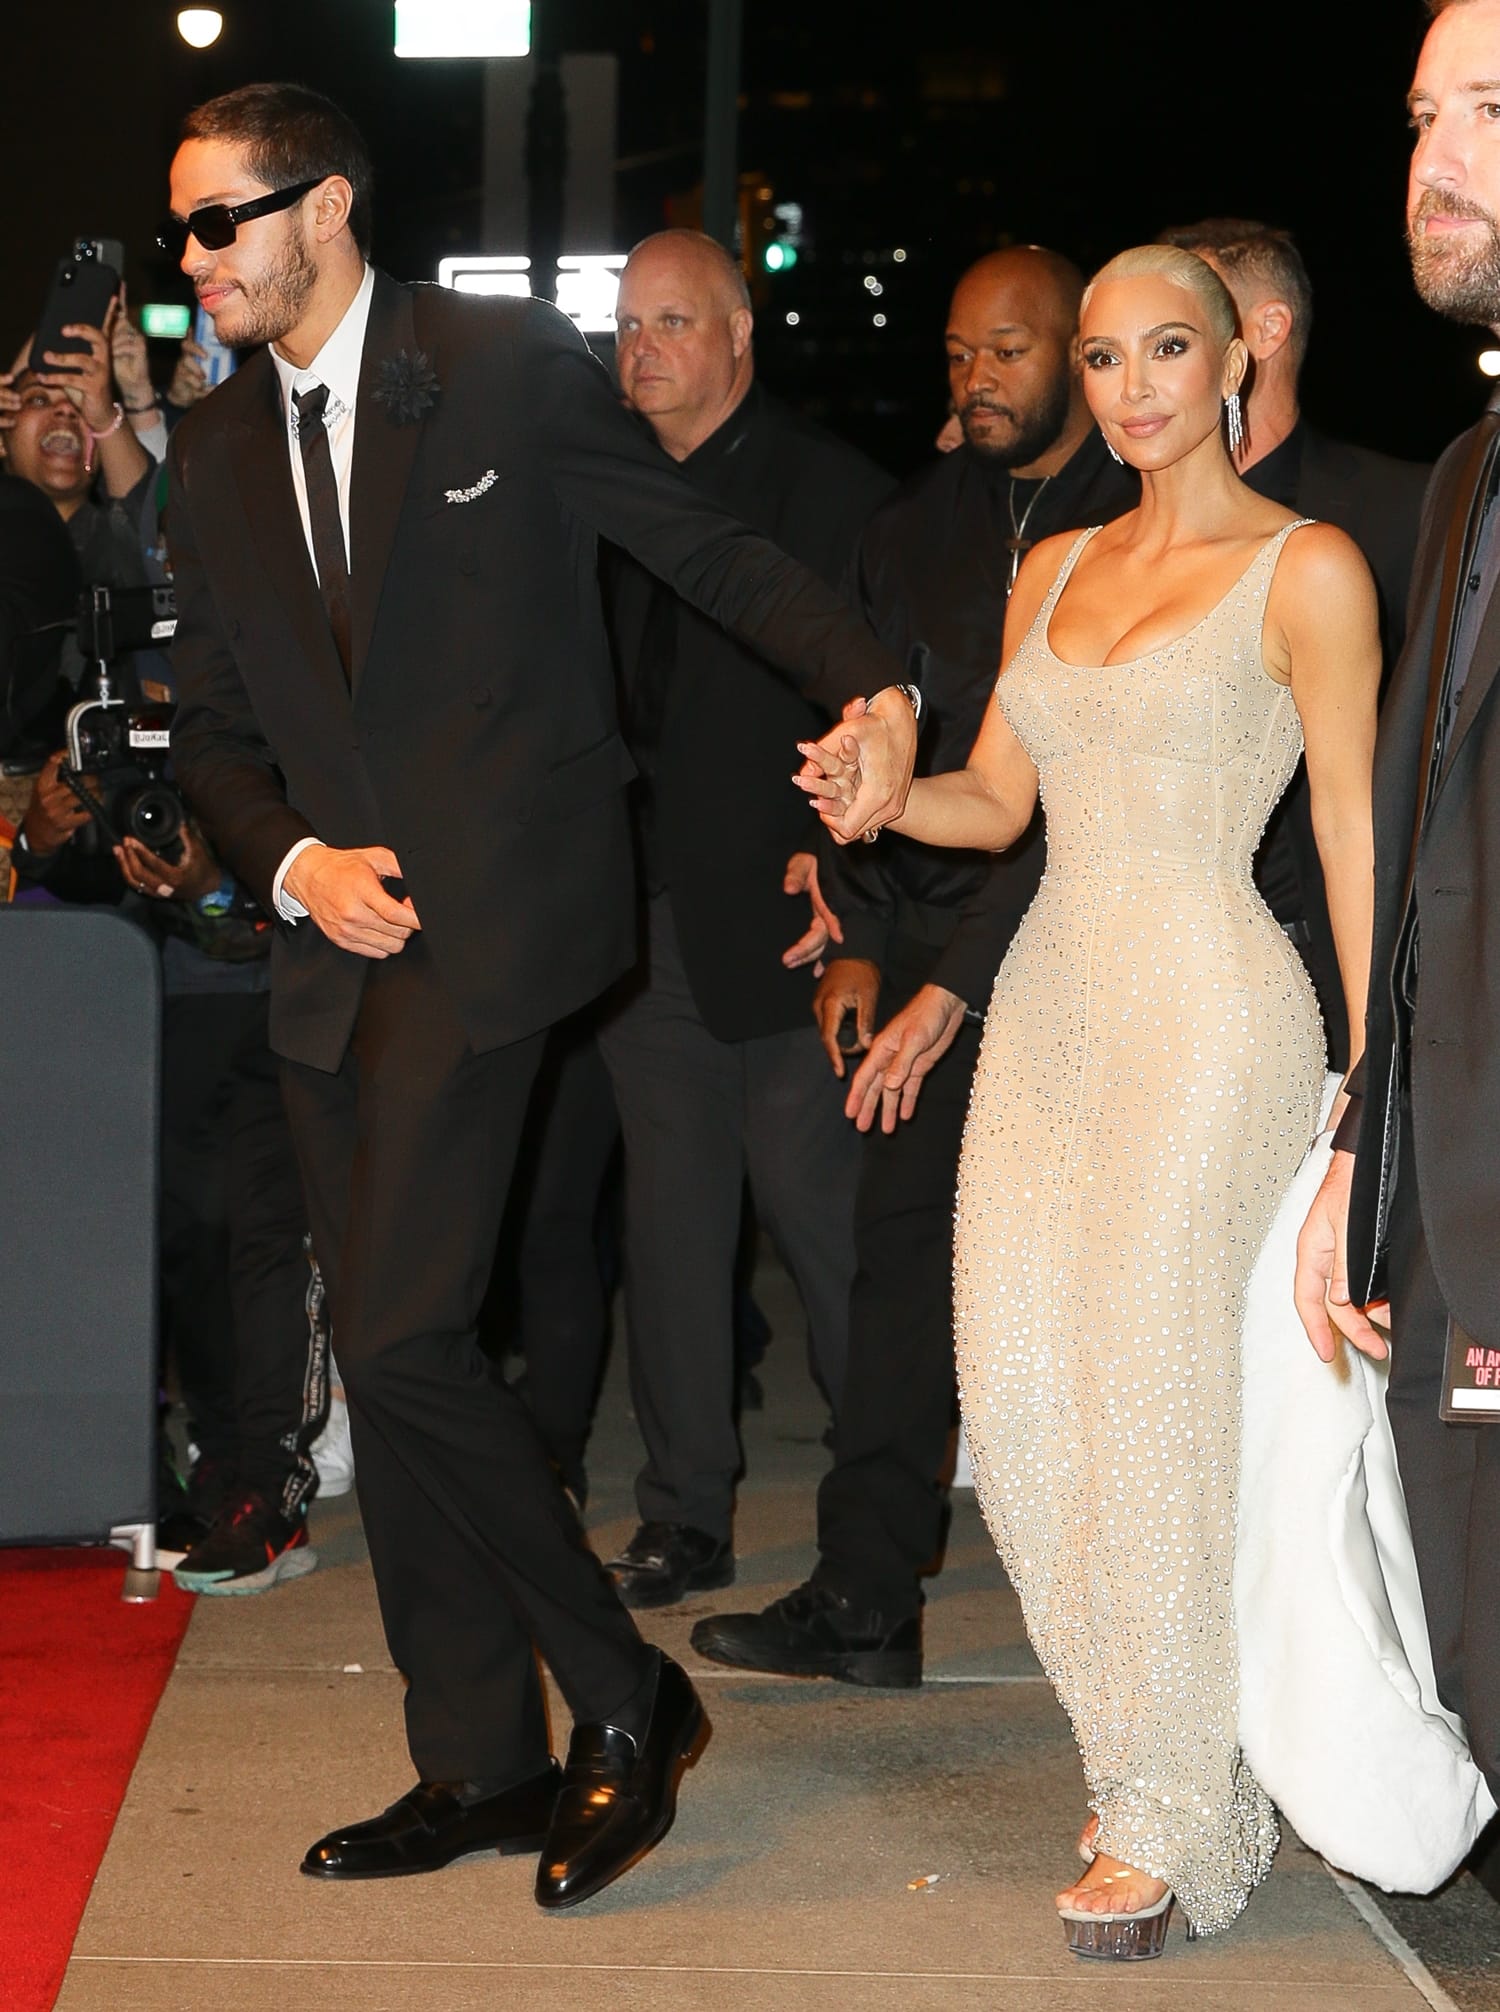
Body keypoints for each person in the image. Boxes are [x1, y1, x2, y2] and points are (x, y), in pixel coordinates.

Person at [162, 83, 916, 1905]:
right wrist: (289, 864)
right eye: (185, 228)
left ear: (323, 209)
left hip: (501, 930)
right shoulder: (213, 451)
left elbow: (702, 548)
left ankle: (620, 1690)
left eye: (218, 224)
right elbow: (217, 737)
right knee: (409, 1371)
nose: (195, 262)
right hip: (337, 948)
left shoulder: (493, 363)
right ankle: (477, 1759)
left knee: (412, 1336)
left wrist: (873, 679)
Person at [802, 245, 1378, 1951]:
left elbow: (1347, 830)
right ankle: (1154, 1741)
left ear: (1234, 362)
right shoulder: (1050, 562)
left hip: (1215, 1006)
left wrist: (1371, 1080)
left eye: (1167, 350)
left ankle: (1165, 1802)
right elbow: (994, 804)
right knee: (1032, 1390)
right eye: (1110, 356)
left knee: (1154, 1399)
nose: (1132, 387)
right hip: (1054, 999)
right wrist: (878, 794)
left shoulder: (1310, 567)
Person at [693, 246, 1137, 1683]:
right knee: (896, 1267)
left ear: (1077, 353)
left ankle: (1135, 1621)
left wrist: (950, 977)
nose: (977, 380)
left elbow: (1088, 793)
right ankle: (866, 1601)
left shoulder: (1136, 517)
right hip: (936, 940)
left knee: (1094, 1296)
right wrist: (865, 953)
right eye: (956, 355)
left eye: (1007, 351)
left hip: (1094, 955)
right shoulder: (912, 527)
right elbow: (887, 759)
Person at [596, 229, 894, 1607]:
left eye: (671, 321)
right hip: (638, 924)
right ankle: (684, 1513)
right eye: (627, 325)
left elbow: (890, 700)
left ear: (738, 337)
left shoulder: (831, 497)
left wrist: (847, 886)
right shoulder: (595, 487)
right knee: (669, 1230)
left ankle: (875, 1510)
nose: (641, 348)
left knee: (823, 1227)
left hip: (793, 932)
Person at [1297, 0, 1500, 1814]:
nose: (1433, 163)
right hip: (1444, 1205)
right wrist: (1366, 1151)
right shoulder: (1458, 482)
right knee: (1464, 1646)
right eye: (1425, 114)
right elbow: (1432, 857)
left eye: (1490, 111)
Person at [1158, 216, 1430, 1065]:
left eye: (1181, 321)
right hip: (1154, 976)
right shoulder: (1114, 534)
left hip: (1342, 976)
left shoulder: (1407, 511)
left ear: (1265, 330)